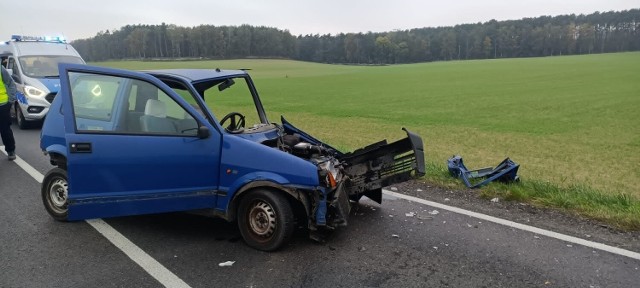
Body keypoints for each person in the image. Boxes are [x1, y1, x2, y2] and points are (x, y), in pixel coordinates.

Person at [0, 65, 16, 161]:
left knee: (5, 130)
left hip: (2, 105)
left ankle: (10, 150)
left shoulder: (0, 68)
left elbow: (10, 83)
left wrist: (10, 100)